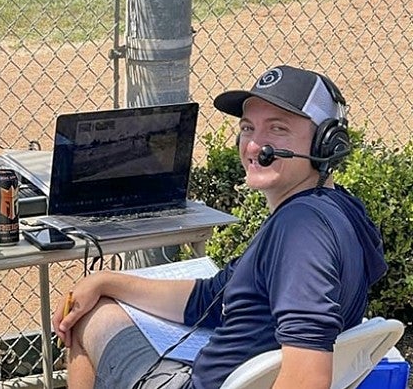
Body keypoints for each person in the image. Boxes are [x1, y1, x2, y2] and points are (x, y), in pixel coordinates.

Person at [52, 65, 387, 388]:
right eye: (247, 128)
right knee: (103, 299)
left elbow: (308, 378)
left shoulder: (301, 231)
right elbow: (208, 299)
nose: (255, 146)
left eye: (278, 129)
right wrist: (107, 280)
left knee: (89, 317)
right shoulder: (336, 207)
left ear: (325, 143)